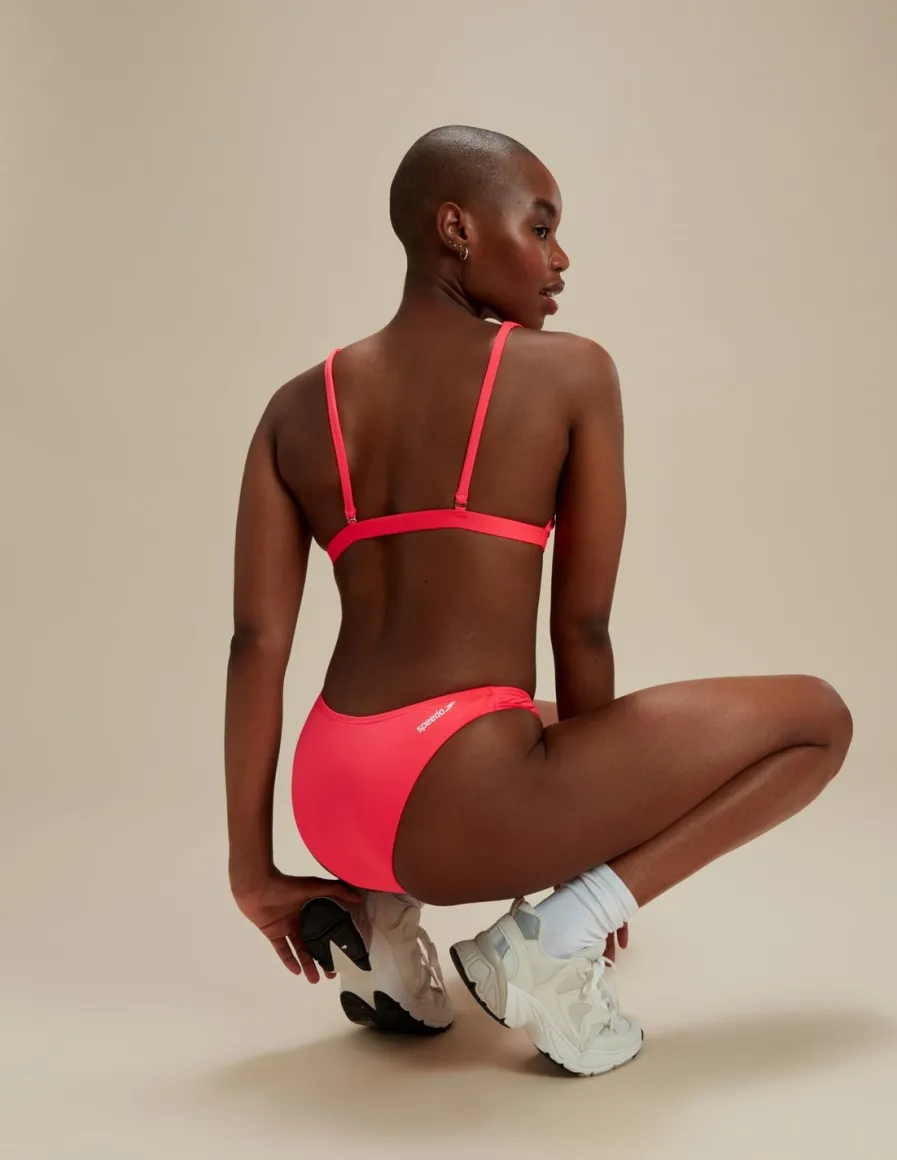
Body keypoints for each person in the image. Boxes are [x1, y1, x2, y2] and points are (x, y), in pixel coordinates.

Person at [225, 125, 853, 1076]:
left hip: (333, 797)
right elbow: (583, 625)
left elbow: (256, 642)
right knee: (815, 722)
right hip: (452, 804)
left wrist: (252, 870)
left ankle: (382, 925)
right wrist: (596, 854)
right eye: (542, 227)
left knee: (544, 725)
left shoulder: (294, 406)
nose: (561, 260)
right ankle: (553, 941)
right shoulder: (569, 371)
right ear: (457, 229)